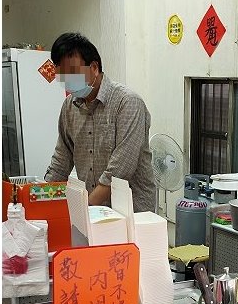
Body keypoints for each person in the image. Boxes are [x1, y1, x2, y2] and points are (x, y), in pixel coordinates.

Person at [44, 32, 156, 213]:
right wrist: (41, 197)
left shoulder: (127, 103)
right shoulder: (69, 106)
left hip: (132, 212)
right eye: (62, 75)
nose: (67, 82)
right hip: (94, 211)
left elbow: (120, 169)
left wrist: (85, 208)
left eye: (72, 72)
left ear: (94, 68)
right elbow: (61, 160)